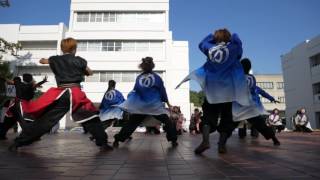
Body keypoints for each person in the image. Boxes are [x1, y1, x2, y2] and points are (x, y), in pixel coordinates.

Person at [8, 38, 113, 151]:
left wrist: (48, 61)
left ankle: (18, 143)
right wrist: (83, 71)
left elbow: (42, 61)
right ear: (74, 49)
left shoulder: (55, 59)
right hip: (75, 93)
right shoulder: (80, 61)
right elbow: (90, 72)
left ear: (62, 49)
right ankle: (103, 144)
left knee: (45, 121)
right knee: (90, 117)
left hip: (60, 94)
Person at [176, 28, 251, 154]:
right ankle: (222, 144)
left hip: (212, 90)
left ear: (216, 38)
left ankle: (205, 141)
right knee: (227, 118)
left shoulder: (211, 49)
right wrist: (233, 36)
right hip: (229, 91)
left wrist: (212, 37)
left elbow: (201, 43)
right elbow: (239, 45)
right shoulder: (234, 48)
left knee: (209, 117)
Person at [113, 57, 178, 147]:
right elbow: (162, 91)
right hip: (154, 106)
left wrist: (130, 101)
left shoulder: (139, 78)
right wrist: (168, 103)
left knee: (131, 124)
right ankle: (173, 140)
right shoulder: (157, 78)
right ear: (152, 66)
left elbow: (135, 91)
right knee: (167, 121)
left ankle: (117, 139)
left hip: (141, 106)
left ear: (142, 66)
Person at [232, 58, 281, 146]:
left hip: (244, 107)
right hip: (249, 107)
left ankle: (222, 141)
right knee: (259, 124)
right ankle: (274, 139)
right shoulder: (250, 78)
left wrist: (271, 98)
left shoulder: (241, 79)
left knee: (231, 124)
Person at [0, 74, 48, 139]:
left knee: (9, 121)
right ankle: (30, 135)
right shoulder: (30, 86)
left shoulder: (18, 83)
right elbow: (36, 85)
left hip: (15, 104)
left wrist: (3, 77)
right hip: (22, 105)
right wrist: (43, 81)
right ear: (30, 79)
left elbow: (10, 81)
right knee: (26, 121)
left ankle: (1, 134)